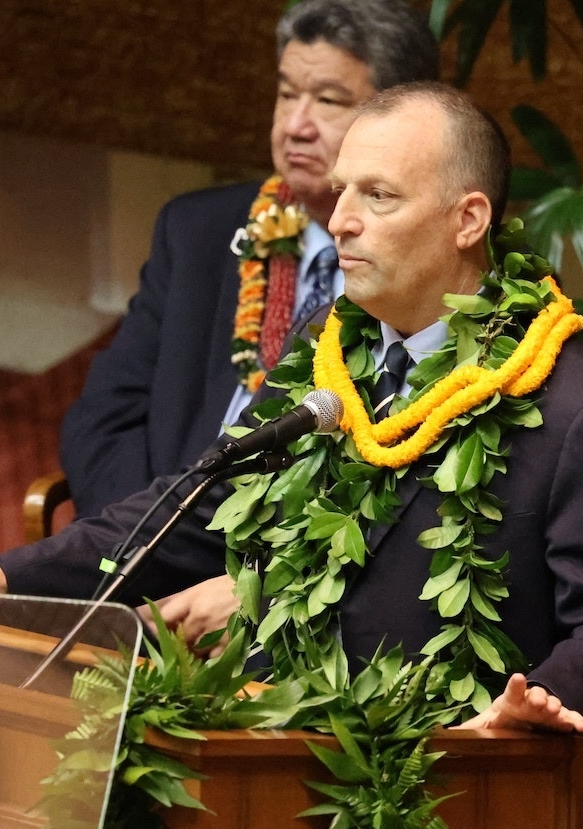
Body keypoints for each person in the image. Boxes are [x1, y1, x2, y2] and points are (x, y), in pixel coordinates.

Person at [0, 82, 583, 829]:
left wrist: (541, 699)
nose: (341, 222)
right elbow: (193, 508)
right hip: (283, 800)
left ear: (468, 219)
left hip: (464, 826)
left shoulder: (577, 409)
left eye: (379, 196)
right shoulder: (327, 362)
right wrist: (9, 579)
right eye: (342, 192)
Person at [58, 0, 438, 518]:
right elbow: (105, 417)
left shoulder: (423, 262)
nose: (295, 124)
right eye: (286, 94)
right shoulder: (198, 232)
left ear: (399, 120)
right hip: (164, 542)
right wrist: (142, 542)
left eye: (327, 100)